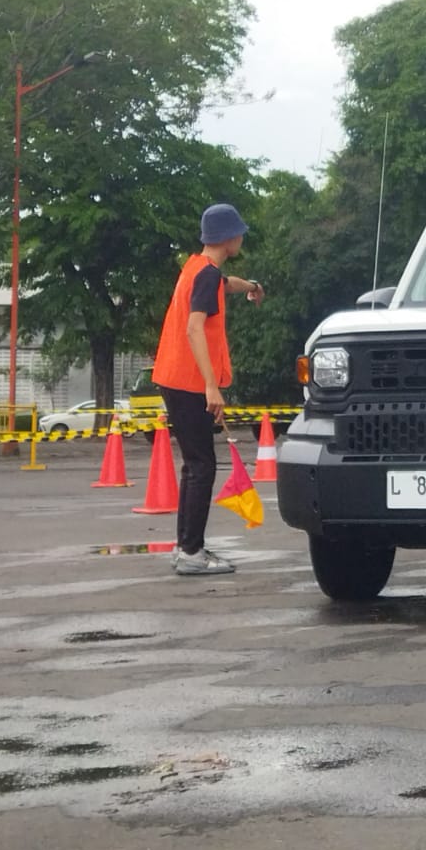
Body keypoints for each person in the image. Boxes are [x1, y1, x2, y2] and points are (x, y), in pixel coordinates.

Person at [152, 204, 266, 575]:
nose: (242, 238)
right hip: (188, 382)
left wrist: (249, 287)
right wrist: (211, 387)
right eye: (240, 233)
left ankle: (186, 547)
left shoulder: (199, 269)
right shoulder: (204, 276)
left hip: (175, 378)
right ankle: (191, 553)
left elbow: (223, 283)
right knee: (202, 466)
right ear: (229, 237)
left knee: (194, 466)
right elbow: (194, 328)